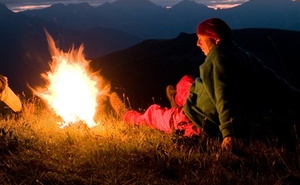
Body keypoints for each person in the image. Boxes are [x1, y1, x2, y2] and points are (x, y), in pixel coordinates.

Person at [110, 18, 300, 151]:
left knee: (152, 113)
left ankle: (127, 114)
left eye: (201, 39)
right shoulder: (240, 53)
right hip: (200, 95)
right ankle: (179, 95)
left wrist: (229, 134)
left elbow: (226, 95)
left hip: (196, 119)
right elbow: (273, 79)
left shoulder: (217, 58)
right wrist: (296, 96)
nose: (197, 44)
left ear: (215, 39)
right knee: (185, 82)